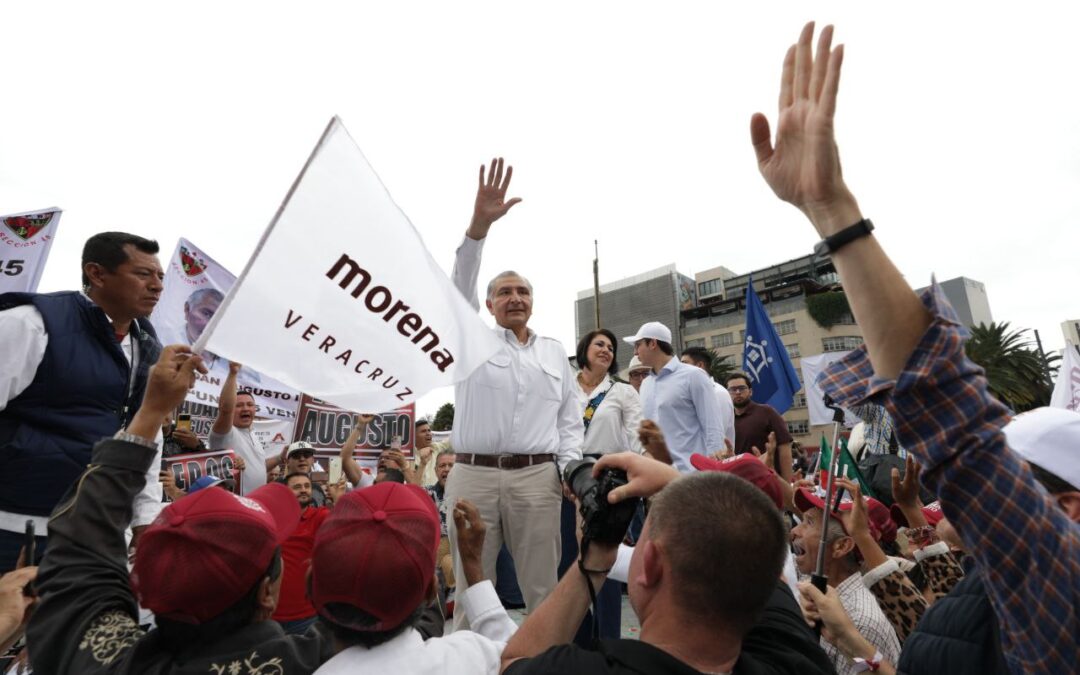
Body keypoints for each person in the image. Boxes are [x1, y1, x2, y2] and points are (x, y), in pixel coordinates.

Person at [751, 21, 1078, 671]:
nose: (959, 479)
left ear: (1066, 510)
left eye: (1004, 479)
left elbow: (944, 409)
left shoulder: (1056, 598)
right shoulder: (984, 591)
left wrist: (833, 211)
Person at [26, 345, 333, 674]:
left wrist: (150, 411)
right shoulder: (317, 663)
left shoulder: (90, 650)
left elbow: (80, 543)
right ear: (266, 594)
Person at [500, 452, 834, 674]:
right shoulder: (796, 659)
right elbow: (757, 551)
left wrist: (595, 559)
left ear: (651, 564)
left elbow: (513, 661)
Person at [446, 157, 584, 625]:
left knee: (542, 587)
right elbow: (457, 288)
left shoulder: (554, 352)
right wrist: (478, 227)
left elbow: (568, 421)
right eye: (504, 292)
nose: (514, 298)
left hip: (537, 481)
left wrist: (570, 470)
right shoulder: (472, 337)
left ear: (532, 301)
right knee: (472, 586)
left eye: (522, 292)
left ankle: (539, 665)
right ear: (488, 304)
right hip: (473, 477)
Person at [0, 231, 166, 571]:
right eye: (143, 273)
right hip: (13, 527)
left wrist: (145, 518)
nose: (157, 285)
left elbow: (146, 436)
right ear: (97, 273)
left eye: (160, 276)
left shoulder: (148, 345)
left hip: (93, 533)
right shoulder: (30, 324)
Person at [309, 485, 518, 674]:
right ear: (431, 593)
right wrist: (473, 567)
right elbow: (516, 655)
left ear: (309, 585)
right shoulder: (466, 659)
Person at [558, 329, 643, 642]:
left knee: (604, 560)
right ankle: (578, 641)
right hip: (565, 478)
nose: (606, 349)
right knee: (566, 561)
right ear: (584, 350)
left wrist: (643, 470)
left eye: (611, 346)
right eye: (599, 344)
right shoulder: (564, 389)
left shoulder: (622, 392)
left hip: (607, 479)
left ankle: (608, 642)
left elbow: (636, 436)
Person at [790, 487, 901, 674]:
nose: (794, 531)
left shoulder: (860, 622)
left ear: (841, 546)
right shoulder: (815, 578)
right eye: (801, 520)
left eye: (809, 522)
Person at [624, 321, 723, 472]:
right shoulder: (646, 385)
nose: (635, 353)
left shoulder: (694, 376)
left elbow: (713, 427)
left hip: (693, 475)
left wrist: (713, 471)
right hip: (658, 476)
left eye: (638, 345)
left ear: (652, 343)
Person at [273, 472, 344, 635]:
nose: (303, 490)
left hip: (306, 616)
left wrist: (338, 500)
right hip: (271, 615)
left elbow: (342, 530)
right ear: (285, 492)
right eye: (297, 487)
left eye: (307, 486)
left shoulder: (319, 516)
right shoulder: (273, 518)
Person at [209, 361, 271, 495]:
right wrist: (233, 373)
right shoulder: (226, 433)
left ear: (255, 409)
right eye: (239, 405)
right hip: (233, 505)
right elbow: (225, 409)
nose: (245, 408)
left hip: (255, 504)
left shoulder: (252, 434)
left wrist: (279, 458)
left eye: (250, 404)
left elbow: (259, 467)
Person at [727, 372, 794, 481]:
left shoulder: (767, 412)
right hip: (738, 482)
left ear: (750, 392)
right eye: (732, 389)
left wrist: (787, 484)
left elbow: (784, 446)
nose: (737, 392)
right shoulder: (726, 418)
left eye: (742, 388)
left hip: (767, 480)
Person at [426, 448, 458, 597]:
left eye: (451, 465)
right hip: (437, 554)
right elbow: (412, 490)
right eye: (442, 466)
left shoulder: (470, 494)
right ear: (436, 470)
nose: (446, 469)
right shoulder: (428, 493)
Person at [272, 441, 328, 507]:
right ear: (287, 461)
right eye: (296, 456)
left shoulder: (317, 488)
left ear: (313, 460)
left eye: (306, 455)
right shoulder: (276, 486)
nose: (302, 459)